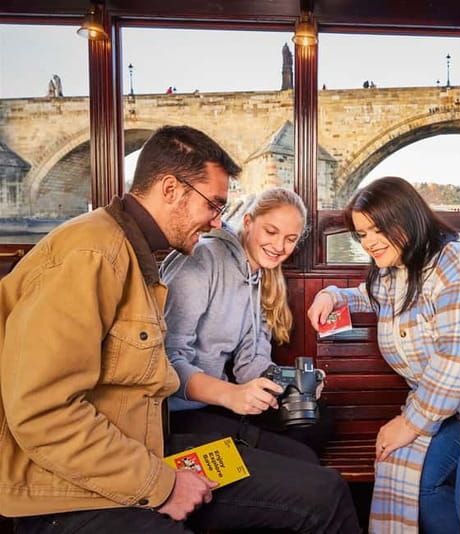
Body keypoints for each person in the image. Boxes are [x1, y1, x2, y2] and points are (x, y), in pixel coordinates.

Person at [0, 125, 359, 533]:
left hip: (142, 444)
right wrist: (164, 483)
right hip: (68, 492)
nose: (216, 222)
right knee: (322, 496)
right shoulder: (90, 256)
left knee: (316, 479)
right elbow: (44, 414)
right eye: (213, 205)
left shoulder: (135, 253)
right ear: (171, 189)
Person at [307, 176, 460, 533]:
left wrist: (409, 424)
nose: (370, 243)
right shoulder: (395, 268)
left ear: (408, 218)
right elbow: (369, 296)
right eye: (362, 234)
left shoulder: (457, 266)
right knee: (419, 484)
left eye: (378, 229)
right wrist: (332, 294)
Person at [161, 187, 333, 458]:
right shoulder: (201, 259)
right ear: (248, 222)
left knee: (318, 422)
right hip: (176, 411)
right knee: (301, 457)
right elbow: (165, 360)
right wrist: (230, 395)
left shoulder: (262, 278)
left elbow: (250, 363)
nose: (279, 247)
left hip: (220, 401)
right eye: (271, 232)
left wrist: (295, 383)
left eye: (290, 239)